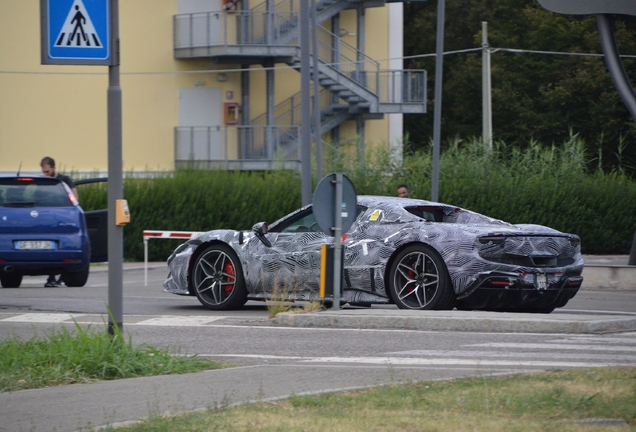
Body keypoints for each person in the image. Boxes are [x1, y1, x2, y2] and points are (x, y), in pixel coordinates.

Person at [40, 156, 79, 287]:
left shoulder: (64, 181)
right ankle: (51, 278)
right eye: (43, 171)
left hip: (62, 217)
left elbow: (74, 198)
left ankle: (62, 277)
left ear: (54, 168)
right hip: (47, 218)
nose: (45, 174)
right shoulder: (44, 182)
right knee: (48, 249)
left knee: (63, 248)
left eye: (47, 171)